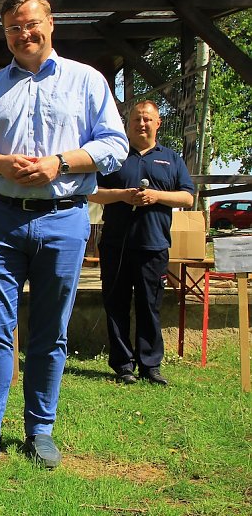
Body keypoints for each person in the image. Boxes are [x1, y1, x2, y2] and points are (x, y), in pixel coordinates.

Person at [0, 0, 128, 469]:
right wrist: (2, 164)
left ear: (51, 23)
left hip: (64, 216)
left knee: (51, 330)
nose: (23, 34)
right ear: (4, 33)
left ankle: (40, 431)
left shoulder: (88, 82)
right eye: (12, 27)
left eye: (30, 24)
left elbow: (115, 145)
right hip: (1, 218)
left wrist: (60, 163)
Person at [90, 100, 194, 386]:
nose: (142, 124)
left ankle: (150, 365)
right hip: (116, 245)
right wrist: (122, 195)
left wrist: (157, 197)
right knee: (116, 304)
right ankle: (123, 365)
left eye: (147, 119)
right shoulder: (115, 157)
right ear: (128, 124)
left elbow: (187, 197)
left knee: (150, 306)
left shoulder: (171, 159)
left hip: (154, 246)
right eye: (136, 119)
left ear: (158, 123)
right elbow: (92, 192)